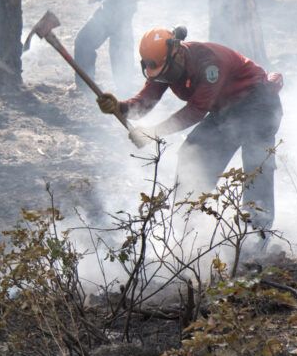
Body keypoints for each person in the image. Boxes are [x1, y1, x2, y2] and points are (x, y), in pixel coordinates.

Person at [96, 27, 284, 240]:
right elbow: (144, 102)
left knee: (256, 168)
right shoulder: (164, 66)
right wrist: (118, 107)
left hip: (258, 104)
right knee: (192, 156)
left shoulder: (209, 62)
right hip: (224, 109)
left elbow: (195, 111)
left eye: (165, 71)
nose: (163, 78)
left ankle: (256, 239)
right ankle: (186, 231)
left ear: (175, 52)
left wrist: (153, 133)